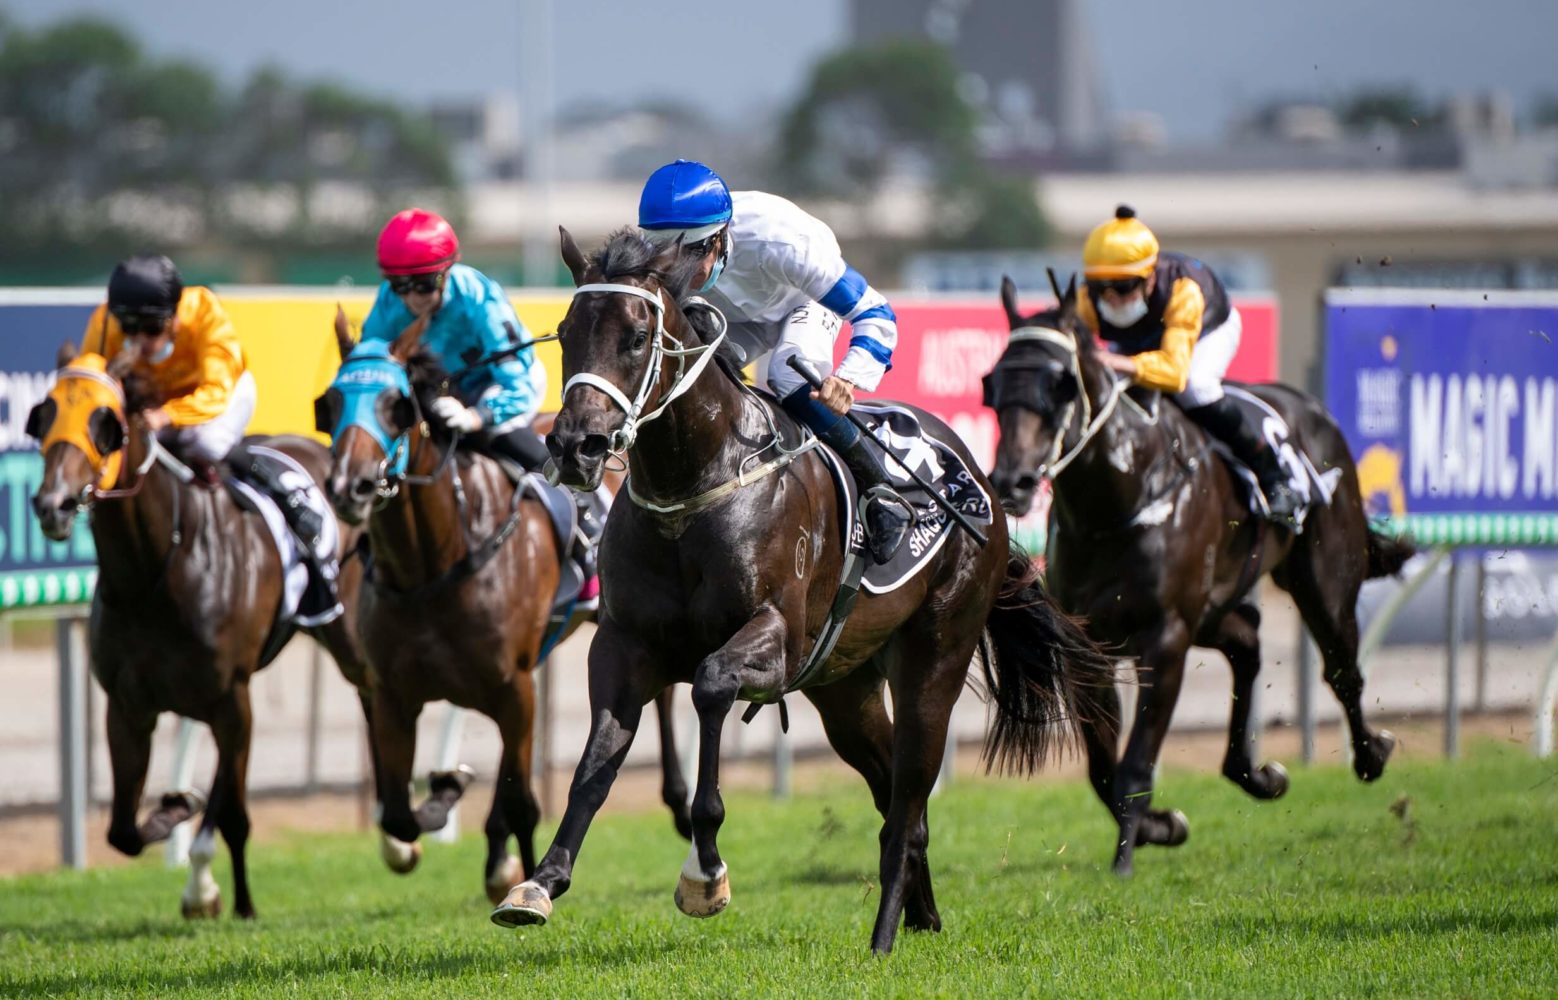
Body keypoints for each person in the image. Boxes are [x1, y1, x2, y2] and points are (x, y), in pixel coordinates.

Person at [637, 159, 911, 564]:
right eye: (669, 258)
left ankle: (880, 490)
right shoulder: (654, 255)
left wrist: (848, 377)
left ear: (720, 237)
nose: (684, 272)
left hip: (802, 302)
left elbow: (875, 313)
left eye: (694, 255)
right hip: (735, 317)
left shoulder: (783, 242)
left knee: (789, 375)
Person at [361, 208, 601, 600]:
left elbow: (518, 381)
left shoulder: (478, 299)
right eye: (397, 285)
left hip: (498, 388)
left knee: (502, 434)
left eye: (421, 284)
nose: (409, 298)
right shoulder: (391, 302)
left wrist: (478, 417)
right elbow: (375, 364)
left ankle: (585, 528)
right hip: (437, 393)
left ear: (445, 272)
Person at [1078, 205, 1301, 525]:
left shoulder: (1184, 291)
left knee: (1197, 388)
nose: (1111, 299)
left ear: (1150, 277)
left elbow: (1173, 373)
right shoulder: (1089, 301)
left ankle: (1274, 476)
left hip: (1207, 330)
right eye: (1102, 288)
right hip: (1141, 340)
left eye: (1124, 287)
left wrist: (1115, 361)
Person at [83, 254, 327, 546]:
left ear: (174, 316)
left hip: (222, 396)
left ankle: (285, 496)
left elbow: (216, 391)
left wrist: (166, 415)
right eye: (128, 328)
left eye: (151, 328)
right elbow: (88, 387)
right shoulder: (103, 323)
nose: (139, 340)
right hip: (158, 403)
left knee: (205, 444)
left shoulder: (203, 312)